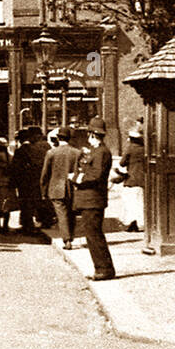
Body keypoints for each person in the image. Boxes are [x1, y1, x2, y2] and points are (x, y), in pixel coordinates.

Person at [72, 116, 115, 280]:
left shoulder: (102, 152)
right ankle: (101, 268)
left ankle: (104, 269)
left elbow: (96, 175)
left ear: (91, 134)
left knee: (94, 235)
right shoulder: (95, 152)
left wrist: (77, 179)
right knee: (92, 235)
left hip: (93, 200)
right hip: (88, 200)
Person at [41, 127, 79, 249]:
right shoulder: (76, 152)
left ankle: (67, 240)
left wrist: (43, 190)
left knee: (61, 214)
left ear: (58, 138)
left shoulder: (51, 153)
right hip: (71, 187)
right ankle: (70, 236)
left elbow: (45, 174)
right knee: (71, 213)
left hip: (55, 188)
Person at [13, 126, 50, 234]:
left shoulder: (26, 149)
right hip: (37, 178)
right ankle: (43, 221)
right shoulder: (44, 146)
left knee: (27, 203)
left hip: (27, 180)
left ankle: (28, 226)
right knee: (38, 200)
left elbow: (17, 166)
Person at [116, 124, 145, 233]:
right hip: (142, 179)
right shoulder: (144, 149)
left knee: (130, 202)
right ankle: (140, 223)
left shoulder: (130, 149)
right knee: (140, 202)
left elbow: (122, 163)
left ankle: (132, 222)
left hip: (131, 179)